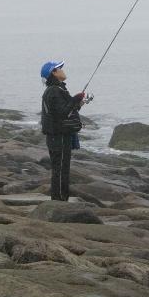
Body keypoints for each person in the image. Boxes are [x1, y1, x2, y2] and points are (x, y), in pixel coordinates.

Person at [40, 60, 92, 202]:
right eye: (59, 68)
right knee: (61, 169)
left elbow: (68, 110)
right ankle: (60, 200)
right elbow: (63, 112)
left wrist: (79, 102)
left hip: (59, 136)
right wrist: (75, 99)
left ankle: (59, 198)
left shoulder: (58, 89)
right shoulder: (54, 91)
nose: (62, 70)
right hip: (59, 136)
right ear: (54, 73)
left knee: (61, 168)